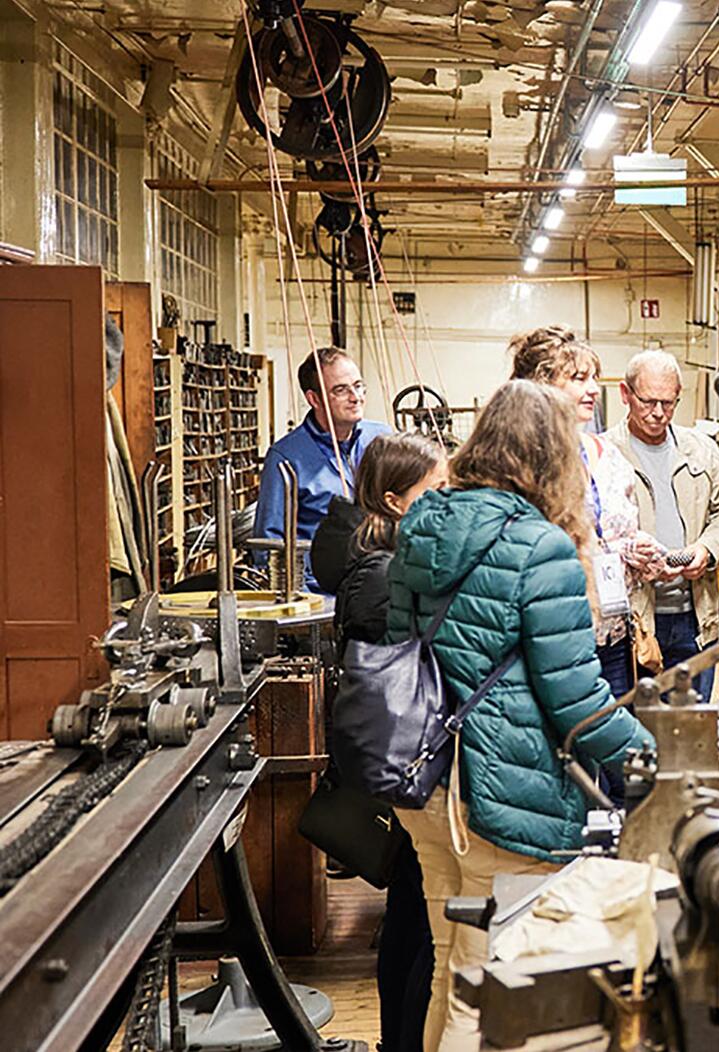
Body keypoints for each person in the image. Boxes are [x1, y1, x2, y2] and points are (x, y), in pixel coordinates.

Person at [387, 380, 656, 1052]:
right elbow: (576, 700)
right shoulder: (542, 549)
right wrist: (653, 753)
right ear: (552, 457)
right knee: (487, 988)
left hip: (425, 780)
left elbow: (402, 651)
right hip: (501, 792)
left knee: (452, 969)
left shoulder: (421, 528)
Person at [329, 431, 447, 1052]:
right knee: (425, 924)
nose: (447, 502)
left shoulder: (388, 559)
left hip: (404, 760)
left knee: (411, 911)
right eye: (436, 490)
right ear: (397, 501)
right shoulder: (384, 573)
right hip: (407, 763)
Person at [509, 327, 654, 697]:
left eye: (594, 378)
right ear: (543, 385)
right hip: (554, 635)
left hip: (613, 631)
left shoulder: (608, 456)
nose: (593, 389)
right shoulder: (521, 461)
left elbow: (615, 532)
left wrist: (636, 550)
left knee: (613, 722)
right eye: (578, 378)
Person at [607, 349, 719, 700]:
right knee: (635, 725)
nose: (658, 413)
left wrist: (706, 549)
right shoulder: (604, 455)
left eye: (668, 403)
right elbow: (587, 534)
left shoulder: (702, 450)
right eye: (648, 401)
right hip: (632, 623)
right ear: (625, 393)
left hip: (695, 619)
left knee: (691, 725)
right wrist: (630, 555)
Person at [256, 346, 391, 592]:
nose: (355, 397)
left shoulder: (382, 439)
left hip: (381, 584)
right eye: (341, 390)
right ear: (314, 399)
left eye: (358, 386)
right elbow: (269, 546)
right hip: (322, 594)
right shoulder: (285, 458)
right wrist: (306, 599)